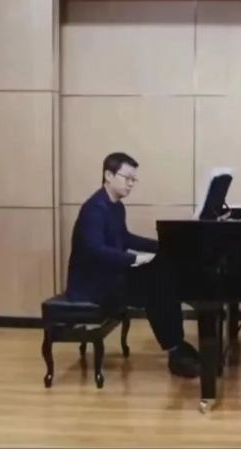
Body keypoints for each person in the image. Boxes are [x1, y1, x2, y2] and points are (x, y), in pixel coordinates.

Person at [64, 152, 200, 378]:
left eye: (133, 180)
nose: (131, 184)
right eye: (127, 178)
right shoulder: (94, 209)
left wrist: (163, 246)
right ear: (108, 175)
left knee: (163, 276)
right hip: (93, 286)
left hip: (111, 276)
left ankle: (177, 346)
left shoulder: (116, 206)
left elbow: (125, 239)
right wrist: (134, 259)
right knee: (157, 285)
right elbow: (95, 250)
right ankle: (175, 350)